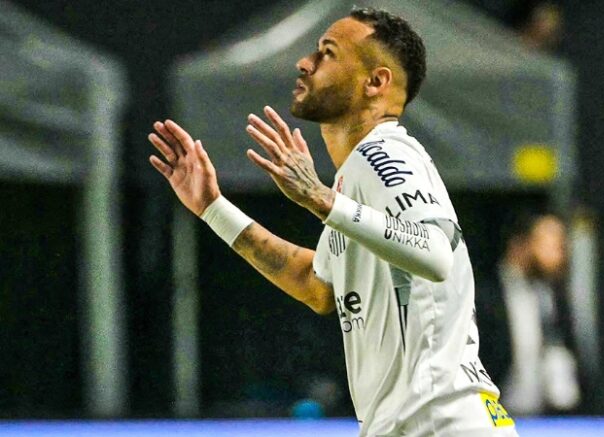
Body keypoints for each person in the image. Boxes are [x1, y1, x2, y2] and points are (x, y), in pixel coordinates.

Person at [148, 7, 518, 437]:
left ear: (375, 82)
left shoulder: (383, 154)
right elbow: (317, 286)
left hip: (440, 425)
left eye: (328, 53)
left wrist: (322, 200)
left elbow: (436, 255)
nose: (305, 63)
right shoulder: (356, 176)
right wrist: (213, 208)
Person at [479, 212, 580, 415]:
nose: (559, 255)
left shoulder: (555, 296)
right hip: (495, 414)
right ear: (520, 245)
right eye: (548, 244)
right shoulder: (484, 296)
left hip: (549, 418)